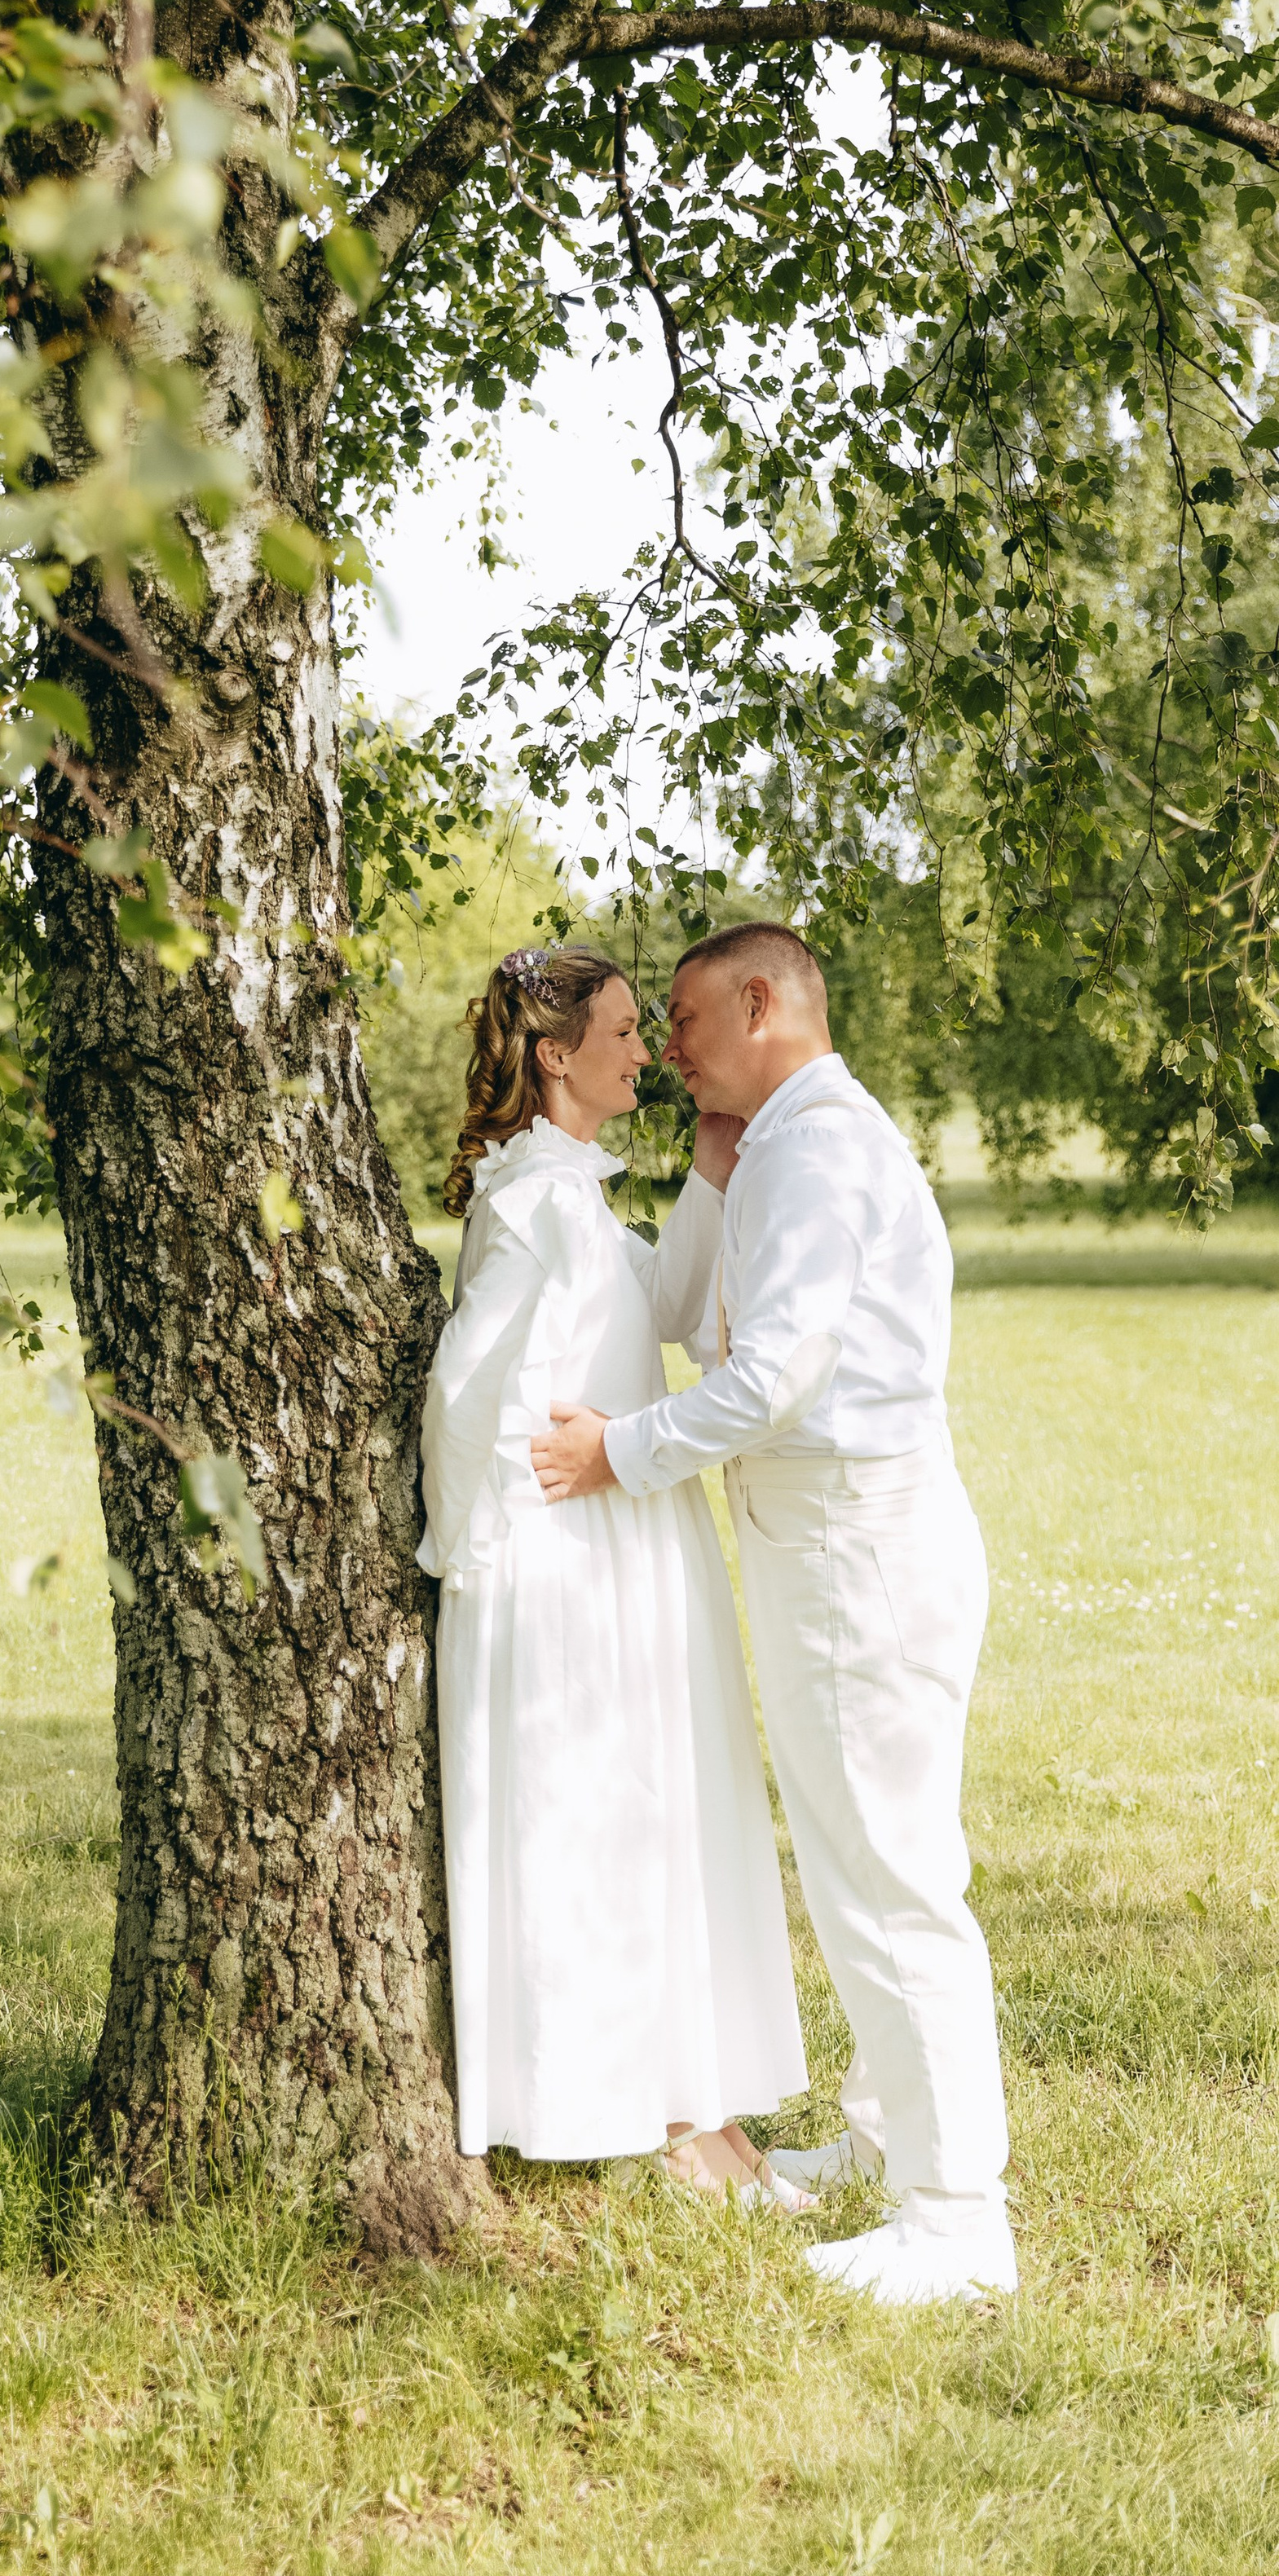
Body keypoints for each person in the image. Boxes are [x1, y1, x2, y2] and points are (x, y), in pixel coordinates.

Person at [531, 922, 1017, 2307]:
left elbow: (770, 1381)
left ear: (761, 1002)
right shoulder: (775, 1144)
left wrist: (614, 1452)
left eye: (683, 1019)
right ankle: (885, 2149)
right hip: (840, 1541)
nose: (668, 1048)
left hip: (854, 1550)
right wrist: (702, 1165)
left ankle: (957, 2226)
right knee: (874, 1859)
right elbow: (681, 1303)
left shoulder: (816, 1149)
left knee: (891, 1882)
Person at [421, 945, 809, 2197]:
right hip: (569, 1553)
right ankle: (650, 2112)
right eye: (629, 1031)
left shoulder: (571, 1189)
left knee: (660, 1814)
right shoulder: (530, 1197)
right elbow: (466, 1389)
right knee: (600, 1817)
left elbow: (666, 1307)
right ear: (555, 1053)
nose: (648, 1050)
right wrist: (469, 1541)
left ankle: (701, 2104)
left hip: (626, 1531)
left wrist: (709, 1169)